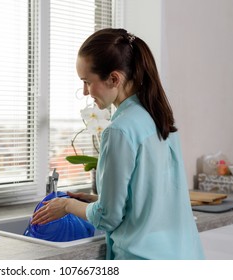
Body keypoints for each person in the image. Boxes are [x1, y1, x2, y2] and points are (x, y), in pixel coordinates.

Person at [31, 28, 205, 260]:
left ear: (114, 78)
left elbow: (108, 218)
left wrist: (66, 206)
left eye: (87, 82)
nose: (85, 91)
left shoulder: (119, 131)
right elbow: (152, 200)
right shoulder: (159, 119)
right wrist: (97, 200)